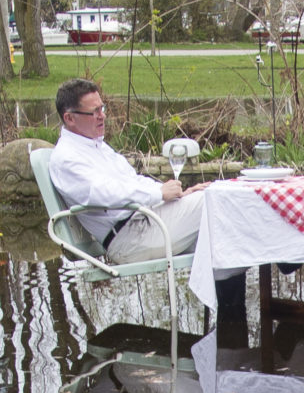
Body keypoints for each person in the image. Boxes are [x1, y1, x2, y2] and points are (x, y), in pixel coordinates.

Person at [48, 77, 203, 263]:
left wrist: (180, 195)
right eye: (94, 112)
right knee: (212, 200)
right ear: (70, 118)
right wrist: (158, 193)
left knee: (211, 211)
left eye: (102, 108)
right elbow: (105, 193)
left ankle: (227, 291)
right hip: (130, 239)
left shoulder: (95, 146)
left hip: (144, 223)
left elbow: (132, 180)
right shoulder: (66, 158)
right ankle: (228, 290)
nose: (102, 116)